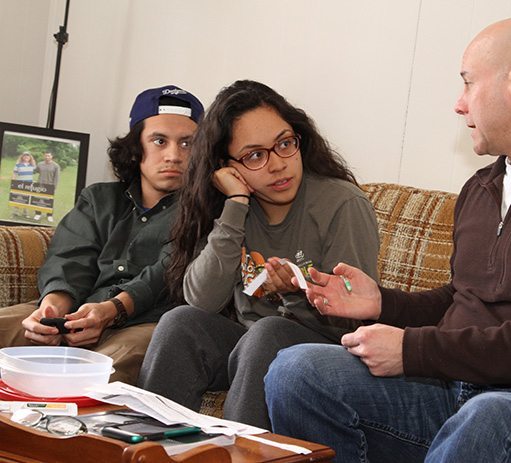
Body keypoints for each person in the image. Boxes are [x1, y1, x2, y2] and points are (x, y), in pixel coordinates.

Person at [263, 15, 511, 462]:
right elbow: (462, 298)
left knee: (489, 418)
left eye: (469, 83)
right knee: (297, 370)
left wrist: (413, 351)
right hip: (458, 391)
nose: (459, 103)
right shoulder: (481, 187)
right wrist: (383, 305)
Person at [137, 80, 379, 430]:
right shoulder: (234, 208)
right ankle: (150, 449)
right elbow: (202, 301)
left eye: (284, 144)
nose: (278, 164)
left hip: (327, 352)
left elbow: (357, 319)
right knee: (180, 324)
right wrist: (235, 204)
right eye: (254, 155)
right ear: (226, 166)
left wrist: (297, 293)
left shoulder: (341, 203)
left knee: (267, 333)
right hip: (252, 345)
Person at [0, 84, 204, 385]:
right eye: (159, 141)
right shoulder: (99, 199)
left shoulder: (205, 210)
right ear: (136, 148)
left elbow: (167, 272)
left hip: (146, 322)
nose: (173, 155)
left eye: (187, 144)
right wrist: (53, 307)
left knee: (99, 371)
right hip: (77, 310)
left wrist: (112, 310)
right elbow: (70, 257)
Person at [33, 151, 61, 223]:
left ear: (51, 157)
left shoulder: (56, 166)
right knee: (38, 199)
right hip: (40, 184)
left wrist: (54, 187)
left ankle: (49, 215)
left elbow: (56, 177)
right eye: (45, 156)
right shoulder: (40, 164)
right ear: (44, 156)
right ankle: (38, 214)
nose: (47, 157)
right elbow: (35, 171)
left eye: (48, 156)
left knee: (49, 201)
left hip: (50, 185)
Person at [10, 152, 37, 219]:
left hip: (28, 184)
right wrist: (13, 182)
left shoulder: (32, 165)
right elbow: (14, 173)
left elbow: (35, 170)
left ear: (30, 157)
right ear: (22, 157)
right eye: (25, 156)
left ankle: (26, 213)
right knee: (18, 198)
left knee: (27, 199)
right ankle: (15, 213)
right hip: (20, 184)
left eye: (28, 156)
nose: (26, 157)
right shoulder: (18, 165)